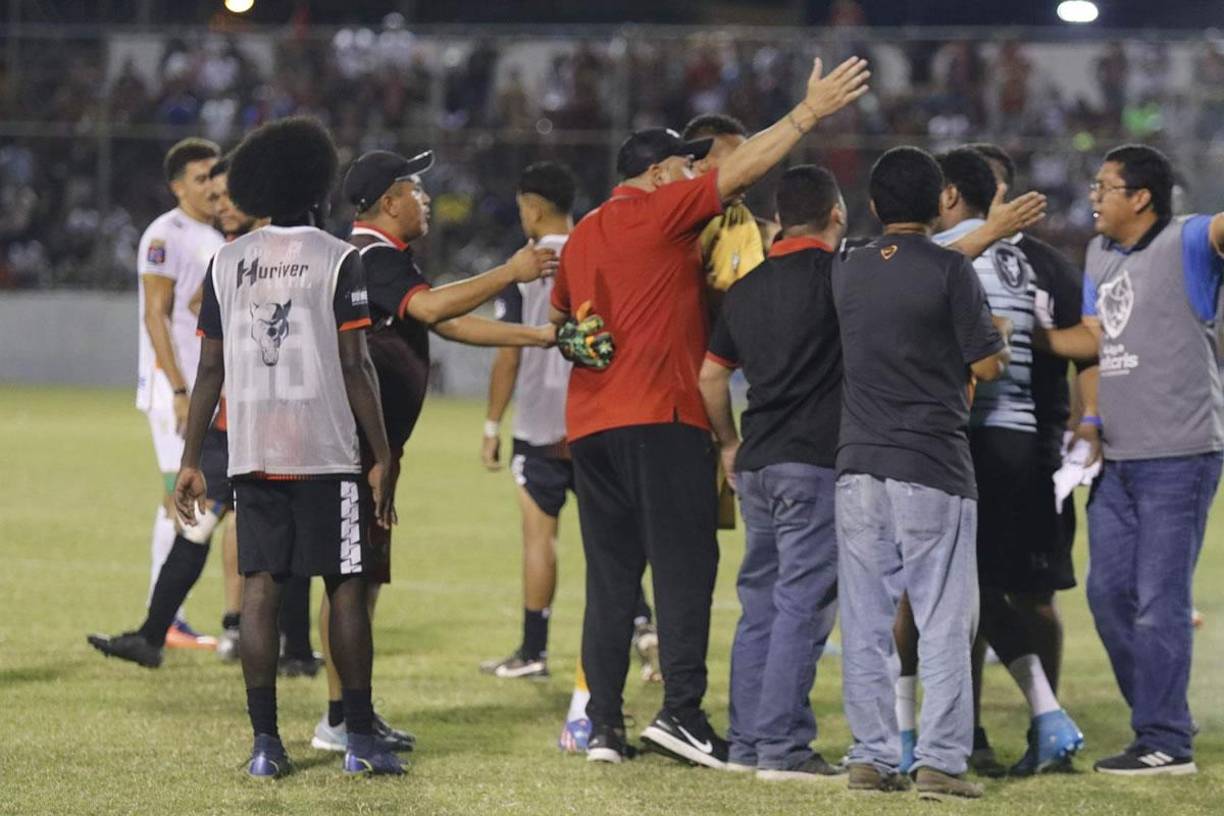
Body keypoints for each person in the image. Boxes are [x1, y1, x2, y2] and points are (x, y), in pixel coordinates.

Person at [552, 55, 871, 768]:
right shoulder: (663, 209)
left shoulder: (583, 234)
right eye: (685, 165)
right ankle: (682, 715)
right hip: (663, 417)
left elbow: (568, 328)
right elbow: (742, 172)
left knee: (610, 580)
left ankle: (603, 724)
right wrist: (808, 112)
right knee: (686, 568)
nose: (695, 174)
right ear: (662, 174)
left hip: (592, 428)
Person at [306, 148, 561, 757]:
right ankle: (341, 718)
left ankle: (349, 711)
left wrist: (541, 336)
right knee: (350, 583)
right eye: (414, 188)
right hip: (358, 452)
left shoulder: (378, 258)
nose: (425, 199)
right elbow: (432, 308)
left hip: (369, 450)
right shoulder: (373, 256)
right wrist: (511, 271)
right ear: (388, 202)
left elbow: (445, 323)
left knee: (360, 583)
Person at [176, 116, 403, 778]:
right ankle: (359, 739)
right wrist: (382, 453)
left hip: (252, 451)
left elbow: (210, 371)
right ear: (315, 182)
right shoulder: (340, 259)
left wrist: (192, 458)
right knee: (347, 587)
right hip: (326, 452)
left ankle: (266, 746)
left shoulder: (227, 261)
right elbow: (356, 363)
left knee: (260, 590)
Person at [1038, 144, 1224, 776]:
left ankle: (1165, 738)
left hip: (1181, 453)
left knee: (1158, 598)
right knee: (1108, 594)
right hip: (1115, 455)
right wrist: (1025, 336)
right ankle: (1163, 714)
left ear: (1140, 197)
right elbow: (1094, 338)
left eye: (1104, 186)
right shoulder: (1098, 253)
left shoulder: (1190, 239)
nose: (1093, 195)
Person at [833, 146, 1009, 800]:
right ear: (940, 202)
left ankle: (870, 759)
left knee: (865, 619)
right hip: (932, 463)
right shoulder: (949, 270)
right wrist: (1001, 340)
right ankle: (938, 761)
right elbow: (986, 365)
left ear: (874, 205)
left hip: (857, 465)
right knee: (943, 619)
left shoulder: (846, 266)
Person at [903, 147, 1083, 776]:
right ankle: (1019, 721)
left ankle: (975, 728)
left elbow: (979, 351)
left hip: (972, 438)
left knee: (957, 592)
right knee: (975, 590)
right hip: (1018, 442)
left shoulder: (946, 255)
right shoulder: (1017, 259)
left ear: (949, 194)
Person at [477, 163, 658, 754]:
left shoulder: (527, 266)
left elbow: (506, 353)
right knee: (616, 540)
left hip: (538, 422)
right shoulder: (598, 245)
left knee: (540, 537)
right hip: (598, 416)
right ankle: (645, 626)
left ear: (531, 206)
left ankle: (533, 651)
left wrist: (490, 423)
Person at [698, 165, 847, 782]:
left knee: (759, 603)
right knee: (801, 605)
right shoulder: (843, 277)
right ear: (836, 216)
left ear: (780, 219)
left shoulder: (746, 287)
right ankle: (783, 748)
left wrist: (728, 443)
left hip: (756, 461)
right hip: (813, 462)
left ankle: (746, 743)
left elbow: (710, 376)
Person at [86, 138, 224, 664]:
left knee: (189, 496)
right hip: (179, 391)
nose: (212, 184)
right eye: (201, 176)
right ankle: (165, 617)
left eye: (216, 174)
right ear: (177, 186)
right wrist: (180, 387)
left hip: (203, 388)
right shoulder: (165, 234)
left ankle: (166, 616)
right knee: (181, 494)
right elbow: (155, 315)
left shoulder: (213, 234)